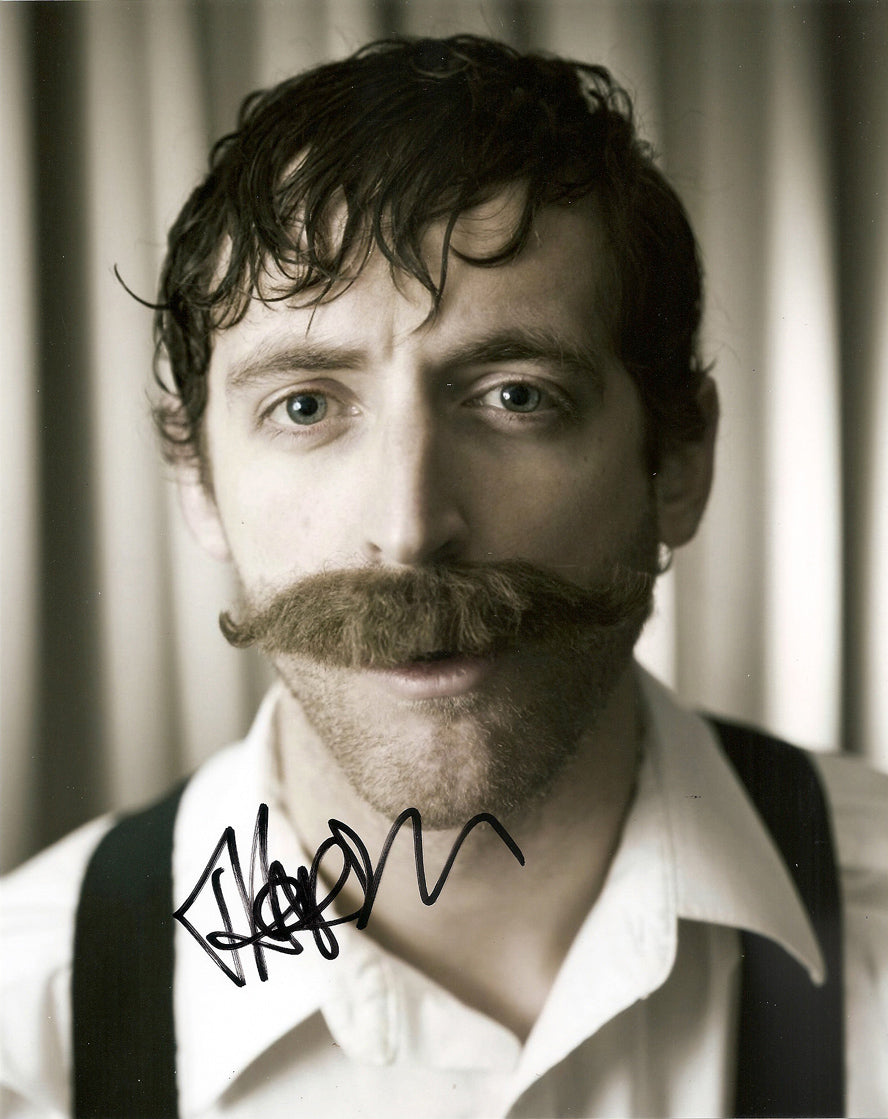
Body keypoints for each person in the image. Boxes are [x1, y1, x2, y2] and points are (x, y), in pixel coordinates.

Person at [1, 34, 886, 1119]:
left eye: (517, 396)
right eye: (306, 405)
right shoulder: (23, 1036)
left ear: (679, 462)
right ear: (199, 483)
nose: (411, 527)